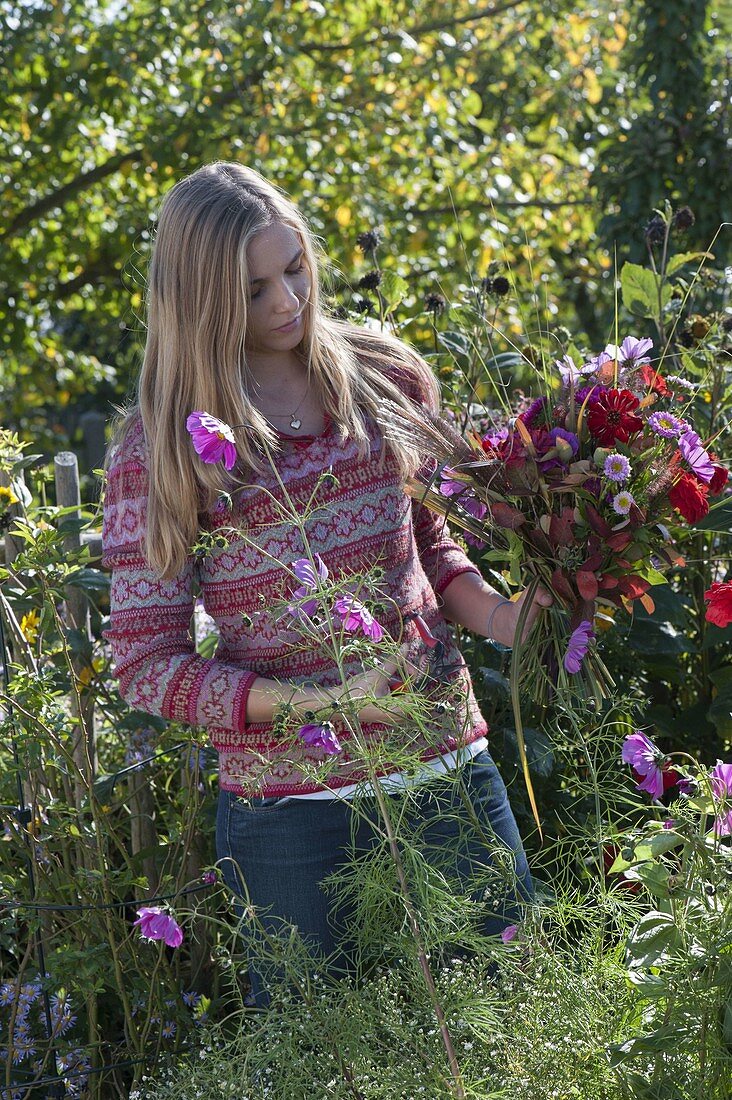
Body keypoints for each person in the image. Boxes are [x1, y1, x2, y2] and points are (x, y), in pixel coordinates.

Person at [102, 162, 551, 1003]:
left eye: (296, 267)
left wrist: (511, 616)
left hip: (443, 764)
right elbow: (147, 666)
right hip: (287, 817)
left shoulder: (383, 374)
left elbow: (429, 546)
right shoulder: (158, 450)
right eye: (254, 288)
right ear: (200, 302)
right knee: (322, 1057)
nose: (288, 302)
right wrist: (332, 705)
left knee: (514, 1010)